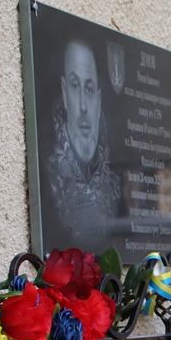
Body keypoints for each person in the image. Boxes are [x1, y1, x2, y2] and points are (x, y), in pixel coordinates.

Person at [46, 38, 121, 250]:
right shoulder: (50, 175)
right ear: (64, 92)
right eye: (74, 85)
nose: (82, 106)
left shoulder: (116, 181)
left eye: (88, 89)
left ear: (98, 100)